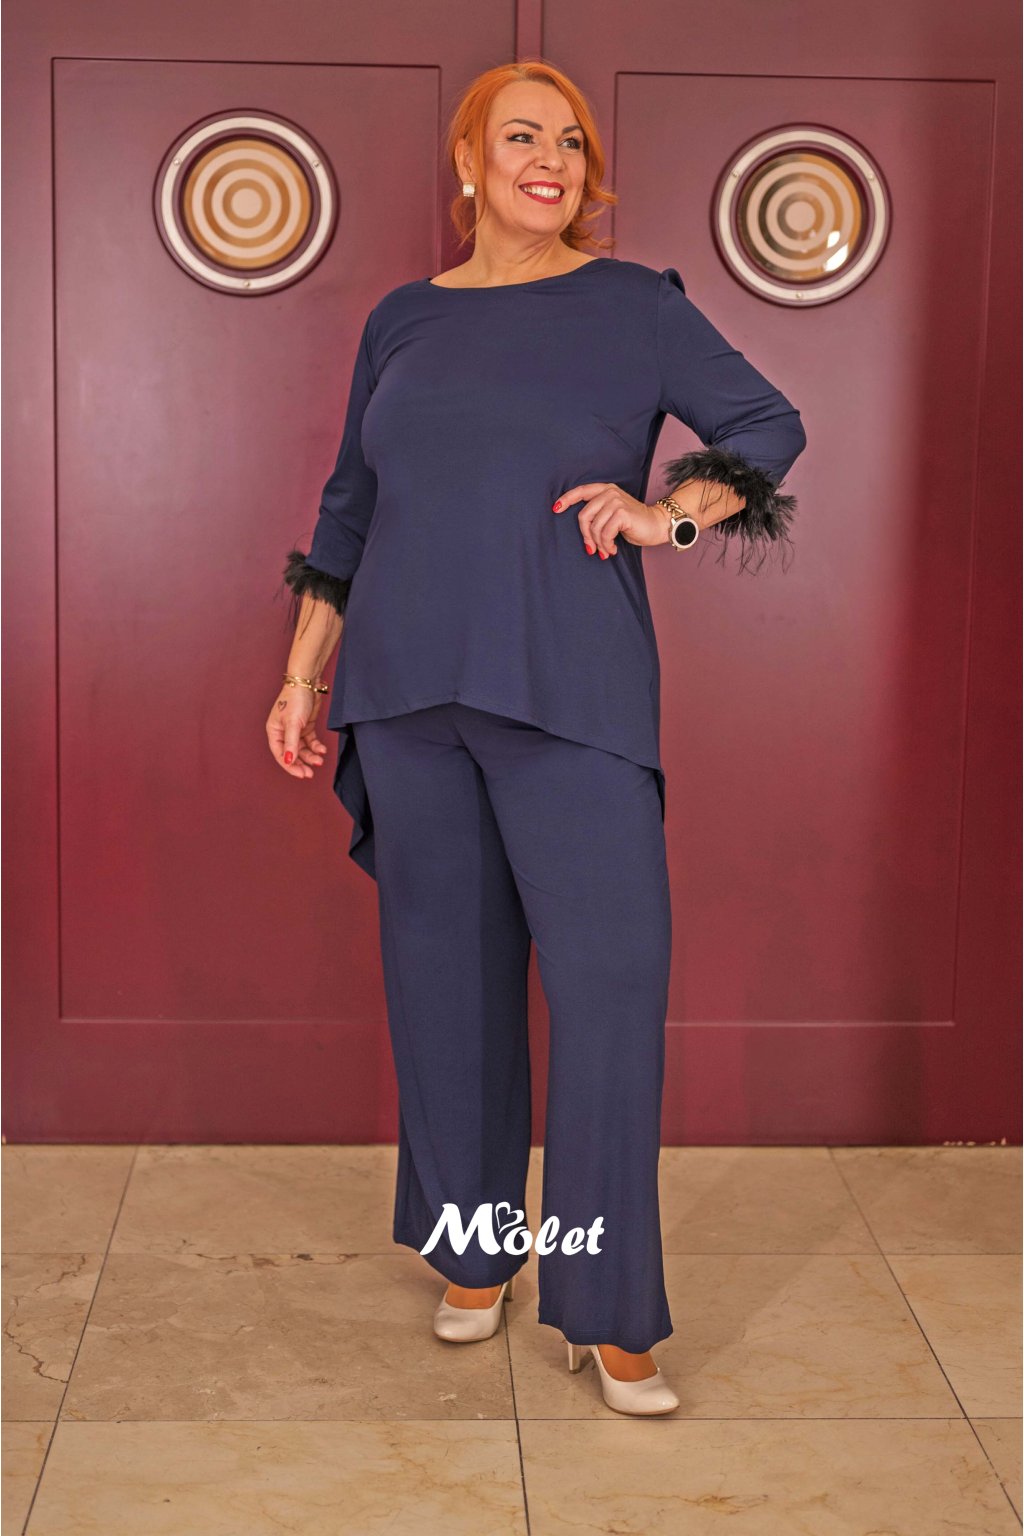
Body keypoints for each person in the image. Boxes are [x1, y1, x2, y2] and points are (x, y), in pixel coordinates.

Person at [267, 59, 806, 1417]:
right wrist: (302, 675)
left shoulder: (635, 306)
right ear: (470, 162)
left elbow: (768, 424)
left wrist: (669, 516)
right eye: (521, 136)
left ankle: (611, 1312)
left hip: (573, 696)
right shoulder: (402, 320)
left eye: (569, 140)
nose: (550, 160)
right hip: (406, 699)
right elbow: (349, 508)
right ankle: (476, 1251)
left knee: (610, 996)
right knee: (445, 994)